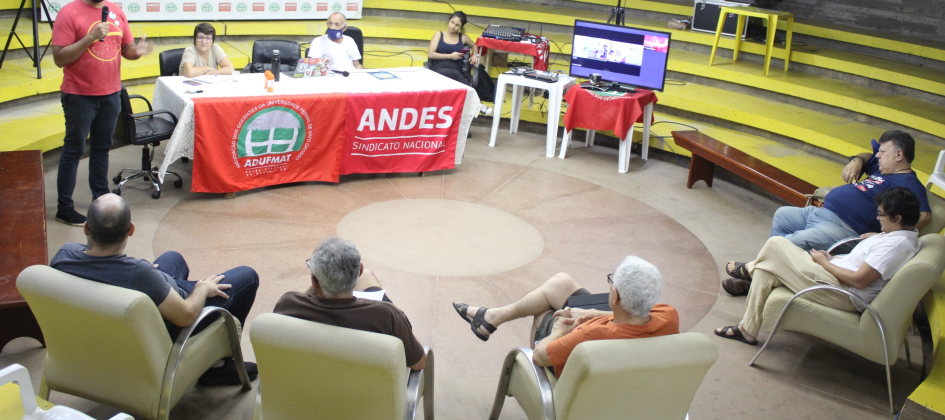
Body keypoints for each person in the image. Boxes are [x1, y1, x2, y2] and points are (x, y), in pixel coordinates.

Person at [50, 194, 260, 385]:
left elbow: (106, 268)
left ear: (86, 228)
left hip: (106, 332)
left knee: (172, 258)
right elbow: (186, 315)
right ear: (131, 230)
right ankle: (217, 367)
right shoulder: (139, 275)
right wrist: (203, 289)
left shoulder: (64, 255)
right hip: (172, 321)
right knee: (248, 276)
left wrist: (149, 273)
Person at [716, 187, 921, 345]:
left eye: (882, 215)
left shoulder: (895, 245)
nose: (878, 219)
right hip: (835, 278)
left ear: (898, 218)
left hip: (842, 292)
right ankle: (747, 330)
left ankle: (747, 269)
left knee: (776, 244)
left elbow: (859, 281)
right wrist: (831, 260)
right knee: (766, 268)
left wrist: (824, 263)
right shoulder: (898, 236)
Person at [51, 0, 154, 226]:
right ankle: (64, 207)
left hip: (110, 94)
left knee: (101, 148)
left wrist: (137, 52)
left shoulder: (117, 12)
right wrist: (89, 37)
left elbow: (127, 49)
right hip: (80, 96)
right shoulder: (69, 13)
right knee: (73, 150)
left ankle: (100, 197)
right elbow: (60, 59)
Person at [452, 256, 678, 377]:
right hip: (625, 372)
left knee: (544, 314)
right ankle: (492, 317)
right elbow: (631, 320)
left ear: (615, 296)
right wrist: (593, 313)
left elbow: (540, 356)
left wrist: (559, 330)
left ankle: (491, 318)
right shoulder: (669, 315)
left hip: (577, 377)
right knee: (562, 283)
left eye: (611, 284)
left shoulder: (589, 337)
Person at [738, 130, 930, 261]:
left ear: (899, 155)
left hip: (844, 228)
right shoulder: (882, 170)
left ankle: (754, 272)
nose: (877, 156)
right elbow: (866, 155)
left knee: (785, 244)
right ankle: (767, 272)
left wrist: (883, 237)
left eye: (882, 152)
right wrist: (856, 161)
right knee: (782, 215)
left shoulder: (910, 185)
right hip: (821, 213)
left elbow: (924, 215)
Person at [273, 238, 427, 371]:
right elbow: (419, 364)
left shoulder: (288, 305)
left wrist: (320, 281)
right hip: (366, 401)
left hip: (308, 394)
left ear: (314, 281)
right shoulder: (386, 316)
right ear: (359, 270)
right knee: (370, 278)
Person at [427, 10, 492, 116]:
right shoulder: (439, 34)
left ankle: (477, 104)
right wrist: (450, 56)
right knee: (455, 75)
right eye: (452, 22)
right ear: (449, 21)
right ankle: (478, 104)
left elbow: (474, 45)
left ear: (461, 27)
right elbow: (431, 54)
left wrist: (475, 55)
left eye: (457, 25)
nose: (453, 26)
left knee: (455, 74)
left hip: (454, 69)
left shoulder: (463, 37)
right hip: (438, 69)